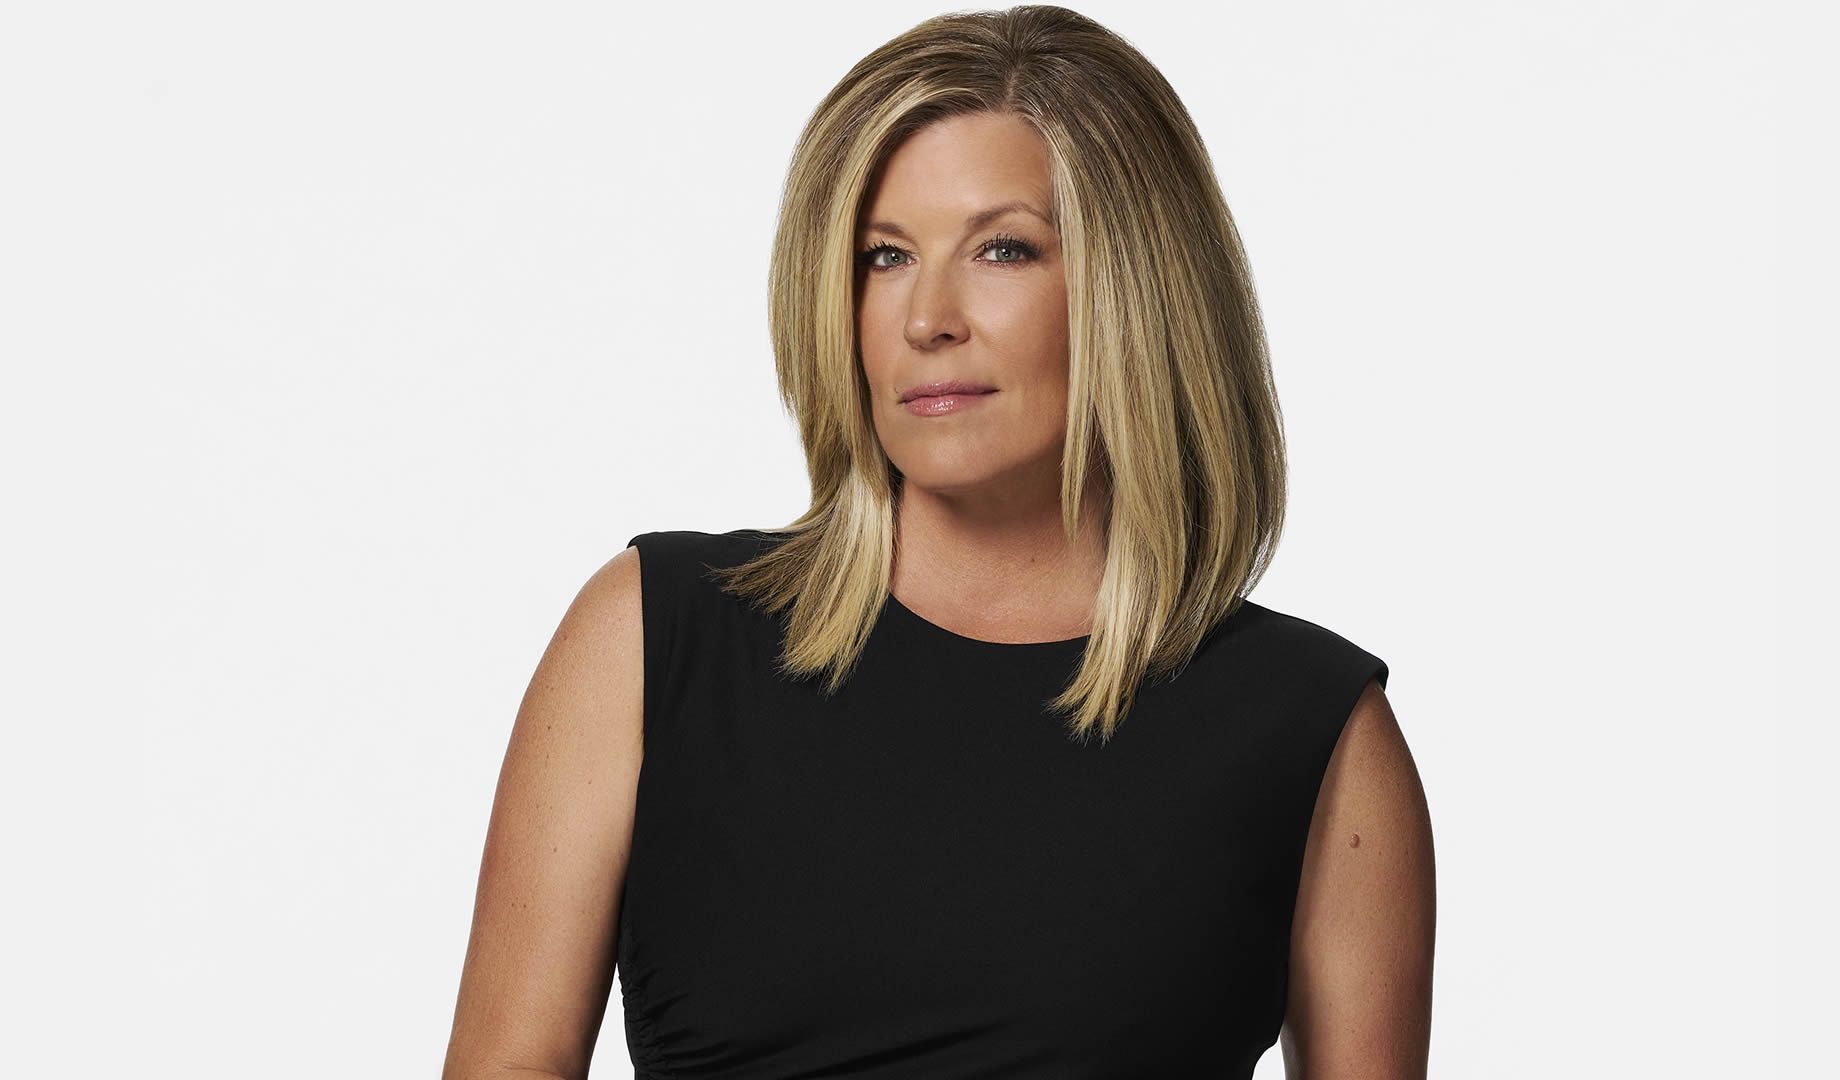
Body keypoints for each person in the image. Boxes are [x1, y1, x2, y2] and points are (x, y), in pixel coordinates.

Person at [443, 6, 1434, 1078]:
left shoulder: (1316, 734)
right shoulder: (651, 640)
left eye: (1003, 249)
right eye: (884, 256)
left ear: (1136, 289)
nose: (928, 318)